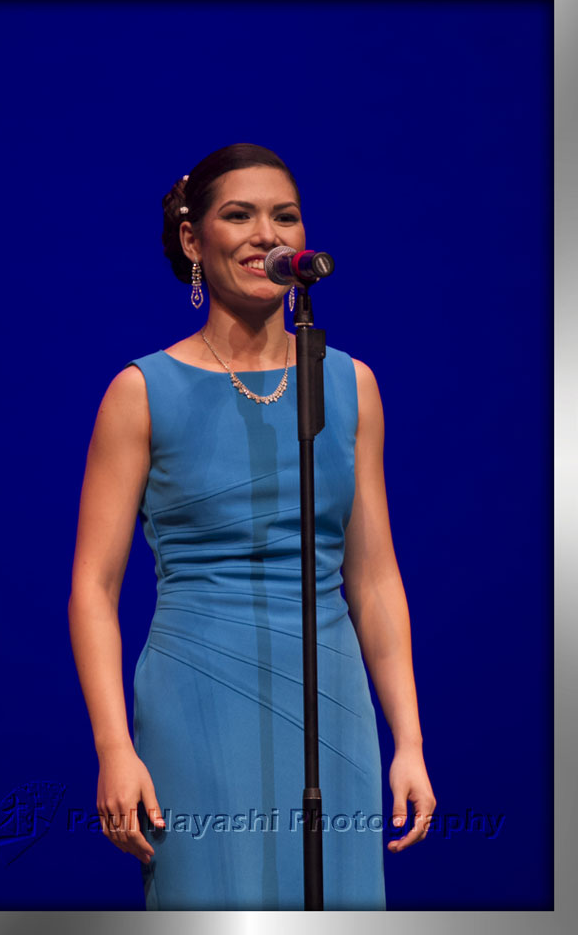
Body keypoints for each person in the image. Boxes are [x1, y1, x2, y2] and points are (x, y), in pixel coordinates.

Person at [68, 143, 436, 911]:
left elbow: (373, 577)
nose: (266, 234)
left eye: (285, 216)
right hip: (196, 698)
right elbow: (94, 588)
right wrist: (113, 748)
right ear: (192, 240)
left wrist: (408, 739)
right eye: (239, 215)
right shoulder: (141, 393)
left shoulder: (351, 384)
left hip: (330, 696)